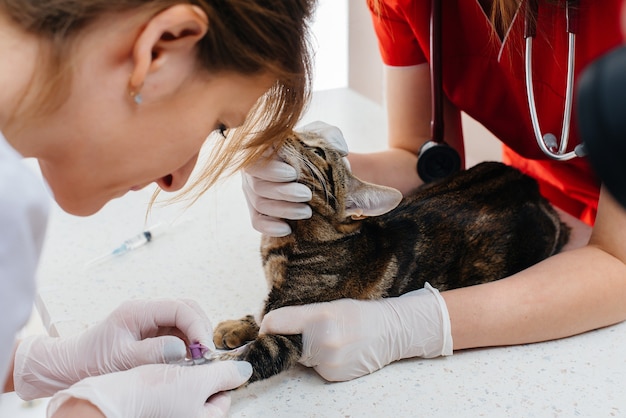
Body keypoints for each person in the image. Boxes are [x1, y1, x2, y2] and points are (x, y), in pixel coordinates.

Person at [243, 0, 626, 382]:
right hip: (537, 204)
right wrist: (309, 176)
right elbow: (420, 157)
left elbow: (618, 261)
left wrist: (410, 326)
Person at [1, 0, 315, 416]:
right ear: (161, 49)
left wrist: (37, 363)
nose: (177, 179)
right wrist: (90, 412)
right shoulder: (9, 200)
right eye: (217, 124)